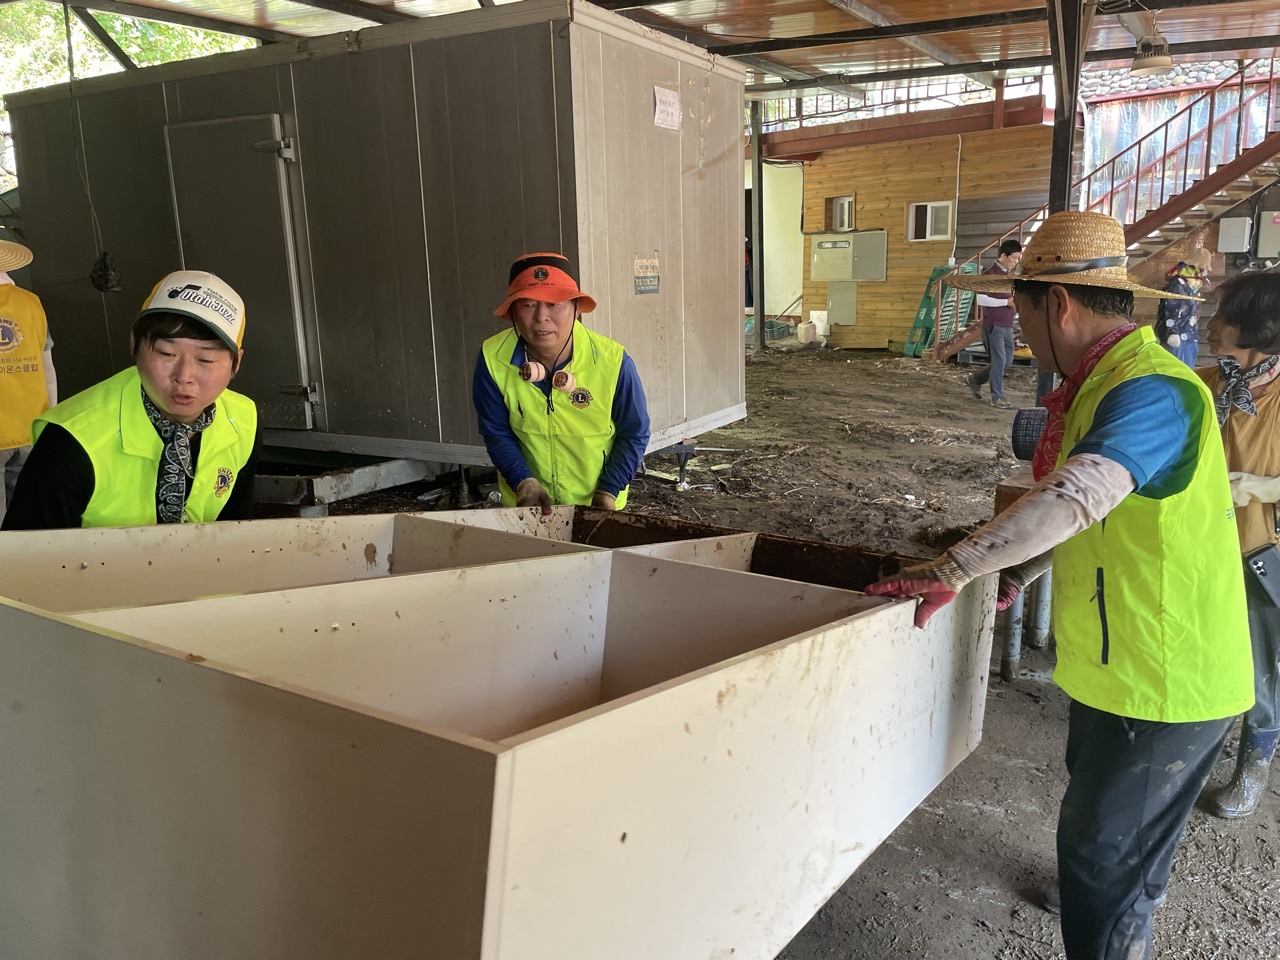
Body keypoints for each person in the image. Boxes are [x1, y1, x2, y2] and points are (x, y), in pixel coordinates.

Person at [866, 211, 1253, 960]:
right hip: (1122, 663)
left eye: (1021, 310)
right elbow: (1099, 519)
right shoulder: (1105, 383)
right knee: (1109, 841)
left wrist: (953, 569)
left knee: (1102, 854)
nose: (1018, 327)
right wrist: (1016, 570)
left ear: (1059, 305)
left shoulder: (1153, 391)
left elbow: (1077, 496)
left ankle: (1111, 915)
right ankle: (1112, 897)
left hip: (1167, 678)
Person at [3, 270, 259, 530]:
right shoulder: (72, 440)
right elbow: (28, 551)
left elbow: (235, 533)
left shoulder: (243, 421)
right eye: (166, 353)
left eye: (206, 360)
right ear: (134, 344)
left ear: (236, 363)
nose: (184, 377)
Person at [472, 252, 650, 515]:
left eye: (555, 304)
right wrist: (522, 480)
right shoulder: (492, 358)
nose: (542, 317)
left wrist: (608, 491)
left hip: (596, 502)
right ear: (513, 313)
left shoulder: (613, 361)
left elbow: (634, 433)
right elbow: (496, 431)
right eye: (528, 305)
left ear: (577, 309)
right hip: (528, 503)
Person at [1197, 273, 1280, 819]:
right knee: (1201, 653)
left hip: (1259, 554)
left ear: (1259, 330)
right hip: (1199, 548)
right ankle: (1191, 754)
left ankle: (1254, 765)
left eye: (1224, 316)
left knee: (1260, 666)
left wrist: (1261, 487)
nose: (1210, 323)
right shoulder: (1202, 385)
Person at [0, 239, 57, 525]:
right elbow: (48, 370)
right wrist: (51, 419)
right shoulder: (31, 303)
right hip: (31, 429)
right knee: (32, 519)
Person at [966, 238, 1022, 409]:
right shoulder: (989, 275)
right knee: (999, 362)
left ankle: (975, 379)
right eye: (1014, 258)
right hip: (994, 325)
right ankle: (997, 397)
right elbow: (981, 299)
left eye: (1018, 258)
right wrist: (1007, 303)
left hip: (1007, 324)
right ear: (1003, 256)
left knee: (1007, 361)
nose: (1016, 262)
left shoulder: (1009, 276)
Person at [1155, 248, 1212, 366]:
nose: (1204, 273)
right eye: (1203, 269)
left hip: (1189, 334)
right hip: (1174, 336)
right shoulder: (1177, 284)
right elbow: (1171, 309)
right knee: (1172, 369)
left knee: (1187, 369)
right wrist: (1172, 332)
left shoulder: (1192, 286)